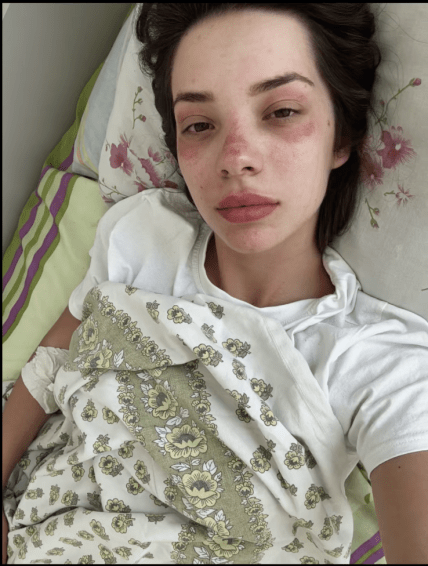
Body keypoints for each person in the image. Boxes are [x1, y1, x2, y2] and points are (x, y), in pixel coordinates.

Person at [3, 4, 428, 564]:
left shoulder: (378, 362)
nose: (235, 159)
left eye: (281, 111)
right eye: (199, 125)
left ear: (341, 138)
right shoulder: (141, 235)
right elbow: (56, 357)